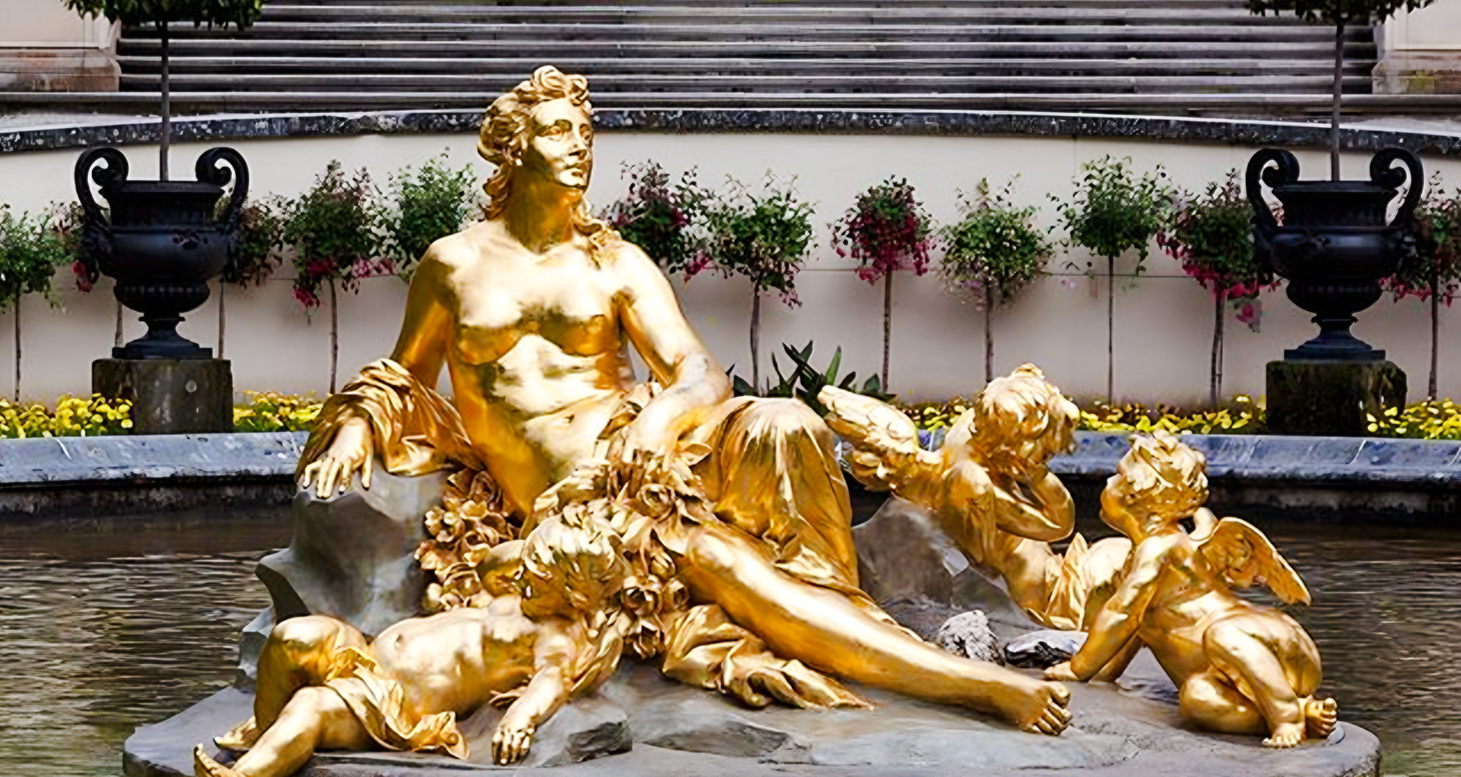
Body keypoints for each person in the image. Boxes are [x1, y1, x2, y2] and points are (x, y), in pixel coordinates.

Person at [291, 65, 1071, 736]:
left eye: (585, 134)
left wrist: (663, 413)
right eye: (561, 131)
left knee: (785, 420)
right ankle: (972, 683)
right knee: (729, 570)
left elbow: (701, 373)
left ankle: (842, 610)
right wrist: (359, 422)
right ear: (514, 144)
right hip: (582, 508)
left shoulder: (616, 264)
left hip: (653, 454)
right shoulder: (452, 265)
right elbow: (403, 374)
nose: (579, 147)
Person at [194, 505, 632, 777]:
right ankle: (269, 734)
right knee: (294, 636)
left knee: (310, 706)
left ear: (575, 594)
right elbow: (491, 567)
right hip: (365, 654)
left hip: (393, 705)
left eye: (541, 579)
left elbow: (551, 680)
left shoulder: (555, 638)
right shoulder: (518, 592)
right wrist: (541, 543)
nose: (525, 578)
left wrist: (523, 719)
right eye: (530, 568)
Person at [1044, 432, 1338, 748]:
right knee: (1196, 699)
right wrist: (1101, 673)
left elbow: (1123, 613)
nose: (1106, 483)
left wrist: (1079, 667)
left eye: (1117, 475)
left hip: (1268, 644)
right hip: (1226, 677)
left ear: (1133, 496)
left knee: (1222, 635)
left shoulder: (1162, 547)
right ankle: (1301, 711)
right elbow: (1137, 625)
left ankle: (1286, 715)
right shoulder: (1142, 555)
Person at [822, 366, 1130, 630]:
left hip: (1053, 568)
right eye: (1044, 451)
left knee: (1121, 555)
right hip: (1045, 595)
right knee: (1119, 559)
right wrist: (1038, 477)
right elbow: (1060, 525)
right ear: (1015, 445)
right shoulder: (975, 486)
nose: (1048, 458)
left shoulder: (969, 431)